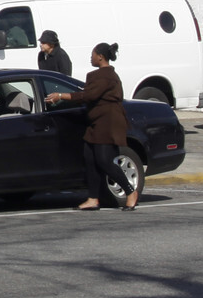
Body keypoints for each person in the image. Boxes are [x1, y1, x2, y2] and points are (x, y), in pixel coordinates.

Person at [44, 42, 136, 211]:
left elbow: (89, 95)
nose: (91, 57)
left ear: (100, 56)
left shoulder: (105, 75)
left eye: (93, 54)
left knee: (104, 161)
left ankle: (130, 192)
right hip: (96, 123)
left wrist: (61, 95)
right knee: (90, 159)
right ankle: (93, 198)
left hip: (107, 122)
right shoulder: (102, 75)